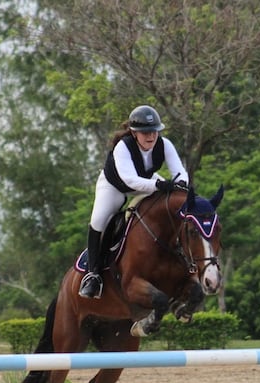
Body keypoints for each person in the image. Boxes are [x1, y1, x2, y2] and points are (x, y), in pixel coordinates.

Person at [79, 105, 190, 299]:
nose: (151, 136)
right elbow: (129, 180)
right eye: (145, 132)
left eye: (154, 131)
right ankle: (93, 274)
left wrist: (179, 184)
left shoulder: (165, 145)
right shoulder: (123, 146)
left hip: (146, 182)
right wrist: (160, 184)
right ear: (134, 132)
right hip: (115, 186)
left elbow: (180, 172)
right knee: (98, 220)